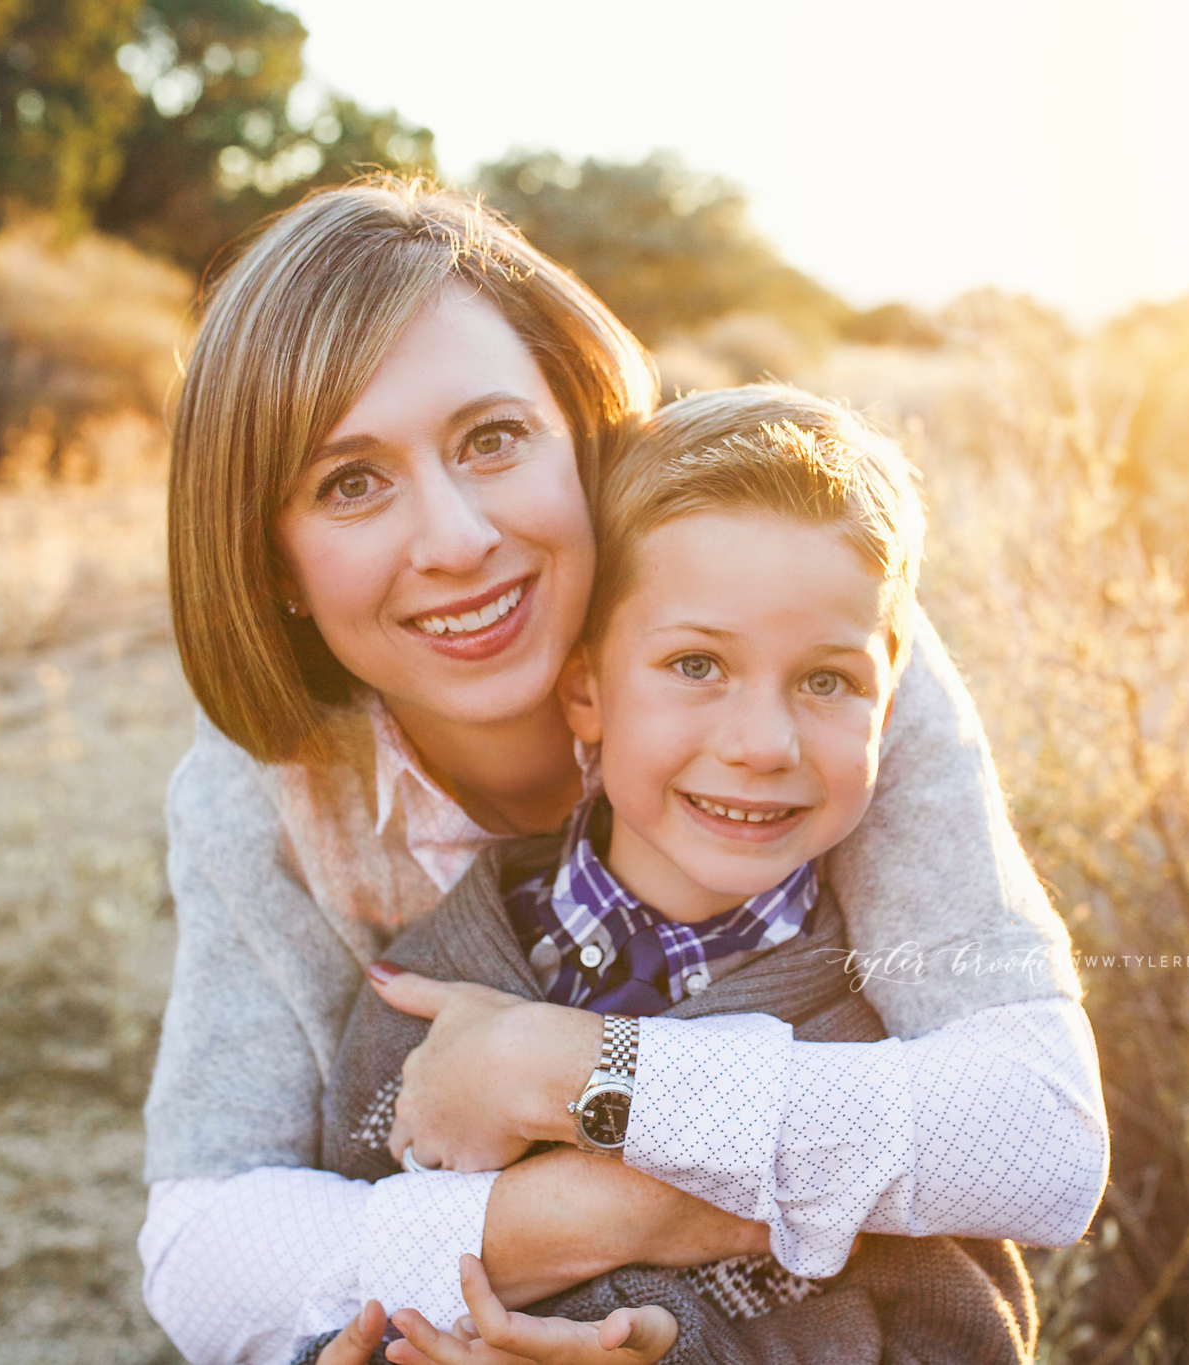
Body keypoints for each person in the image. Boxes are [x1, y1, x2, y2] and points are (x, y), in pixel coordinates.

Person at [139, 178, 1107, 1365]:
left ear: (580, 428)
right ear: (273, 560)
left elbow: (1040, 1137)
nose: (454, 541)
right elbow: (200, 1245)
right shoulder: (267, 789)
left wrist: (572, 1073)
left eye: (491, 439)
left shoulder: (807, 654)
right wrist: (597, 1214)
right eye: (351, 482)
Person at [302, 385, 1066, 1365]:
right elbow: (332, 1288)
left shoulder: (881, 1043)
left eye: (827, 680)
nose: (762, 743)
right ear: (585, 689)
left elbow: (964, 1343)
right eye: (697, 665)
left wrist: (676, 1351)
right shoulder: (436, 991)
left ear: (890, 709)